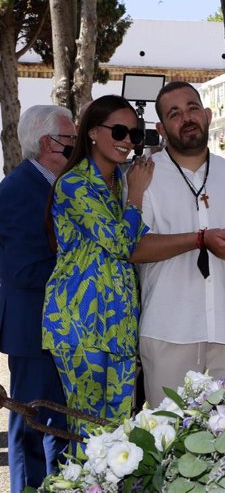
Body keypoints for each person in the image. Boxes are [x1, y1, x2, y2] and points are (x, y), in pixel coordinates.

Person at [131, 81, 225, 408]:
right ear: (162, 128)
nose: (187, 118)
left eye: (193, 108)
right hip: (168, 327)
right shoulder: (145, 175)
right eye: (175, 114)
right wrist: (200, 240)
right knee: (165, 437)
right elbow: (135, 248)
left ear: (207, 115)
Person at [42, 95, 153, 451]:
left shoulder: (120, 183)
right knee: (87, 430)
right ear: (91, 132)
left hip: (120, 322)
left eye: (135, 134)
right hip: (78, 324)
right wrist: (136, 197)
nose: (128, 141)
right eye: (119, 130)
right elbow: (121, 242)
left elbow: (143, 241)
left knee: (117, 432)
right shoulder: (74, 184)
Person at [0, 106, 71, 492]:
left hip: (52, 324)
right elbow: (22, 269)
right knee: (31, 423)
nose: (78, 148)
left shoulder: (46, 183)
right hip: (32, 326)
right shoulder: (19, 189)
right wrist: (79, 273)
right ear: (48, 143)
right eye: (71, 141)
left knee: (55, 422)